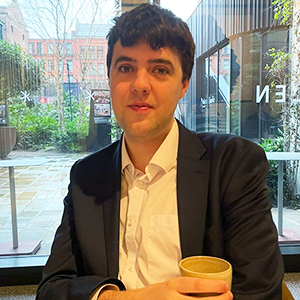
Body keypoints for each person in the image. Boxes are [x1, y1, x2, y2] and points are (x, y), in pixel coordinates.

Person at [36, 3, 284, 300]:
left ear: (184, 85)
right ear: (110, 78)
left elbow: (260, 289)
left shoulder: (232, 165)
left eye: (159, 69)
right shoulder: (86, 176)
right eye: (126, 68)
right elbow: (51, 289)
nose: (140, 84)